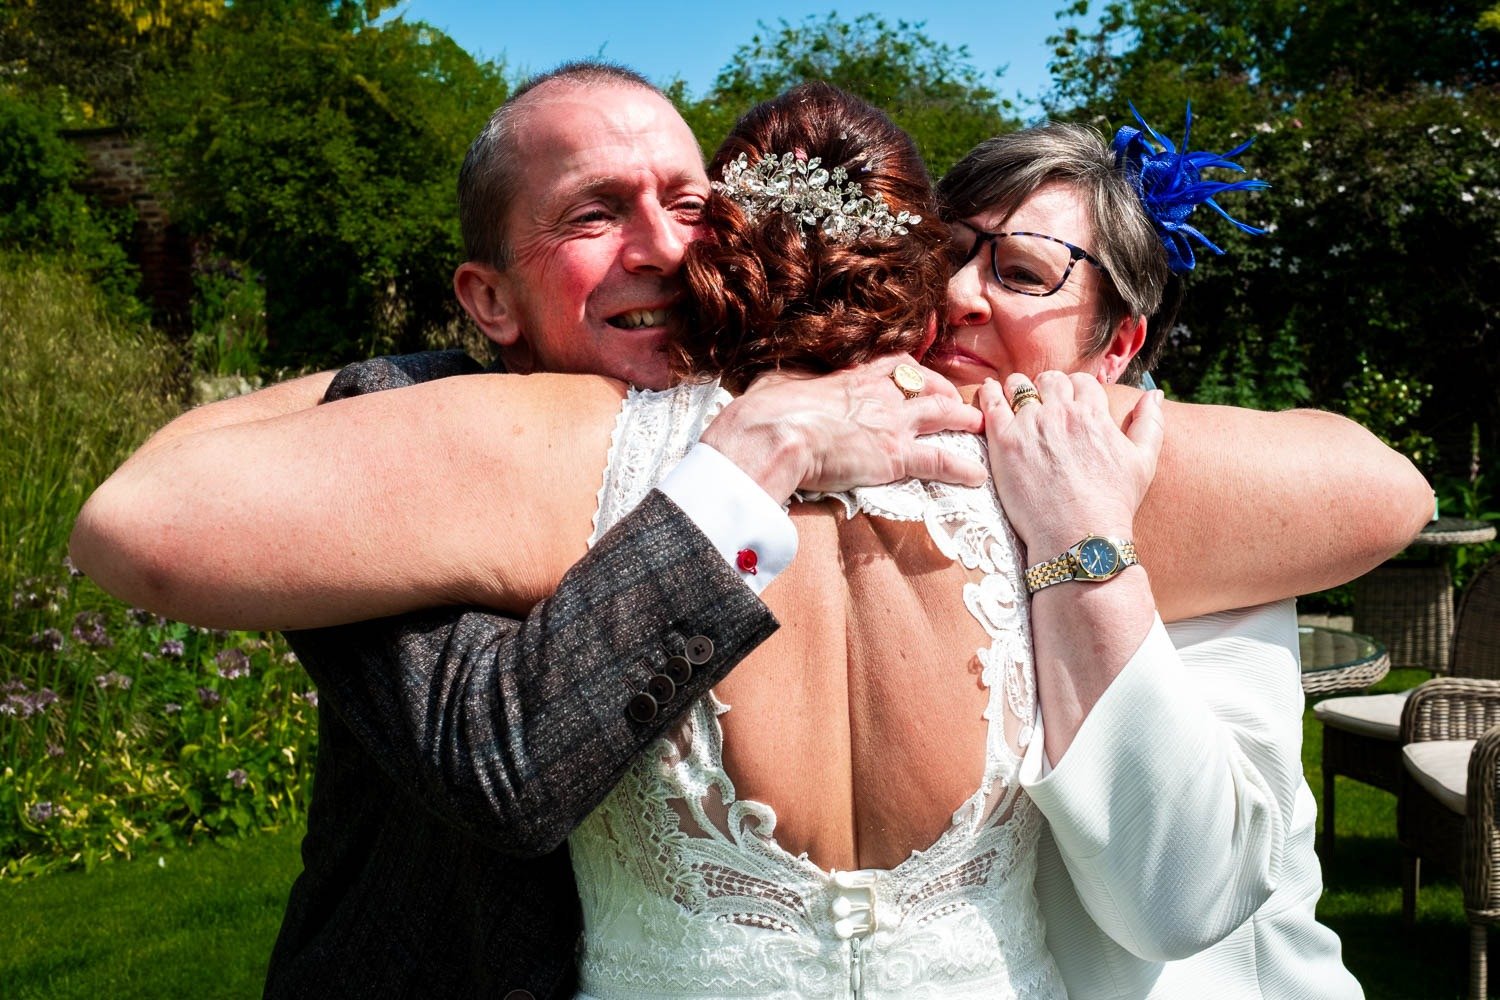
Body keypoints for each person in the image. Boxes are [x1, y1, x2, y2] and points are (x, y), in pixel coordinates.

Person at [71, 78, 1429, 996]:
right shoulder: (1047, 461)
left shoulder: (529, 460)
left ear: (736, 237)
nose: (660, 247)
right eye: (598, 213)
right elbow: (1385, 491)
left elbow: (137, 521)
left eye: (686, 200)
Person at [937, 115, 1365, 996]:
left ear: (1119, 347)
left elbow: (1182, 895)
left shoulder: (1194, 509)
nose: (956, 294)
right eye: (936, 257)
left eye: (1019, 272)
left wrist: (1076, 535)